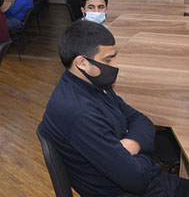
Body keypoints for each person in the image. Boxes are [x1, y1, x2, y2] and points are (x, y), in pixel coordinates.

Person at [39, 21, 189, 196]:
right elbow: (136, 179)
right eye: (107, 59)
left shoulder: (92, 85)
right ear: (82, 62)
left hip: (143, 180)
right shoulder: (78, 112)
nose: (115, 65)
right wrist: (144, 154)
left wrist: (131, 145)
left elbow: (140, 119)